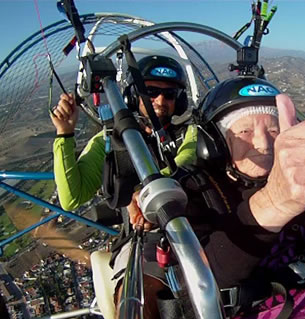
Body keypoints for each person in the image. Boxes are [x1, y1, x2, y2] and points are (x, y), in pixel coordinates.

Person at [124, 75, 305, 319]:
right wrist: (274, 203)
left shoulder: (298, 183)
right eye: (244, 130)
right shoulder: (195, 193)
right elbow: (201, 276)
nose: (264, 142)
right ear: (214, 143)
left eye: (274, 129)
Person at [51, 55, 197, 211]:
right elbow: (72, 198)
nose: (160, 101)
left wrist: (143, 192)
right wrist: (64, 134)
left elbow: (186, 158)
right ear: (133, 96)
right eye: (150, 91)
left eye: (169, 94)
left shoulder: (188, 133)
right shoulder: (112, 138)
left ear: (179, 100)